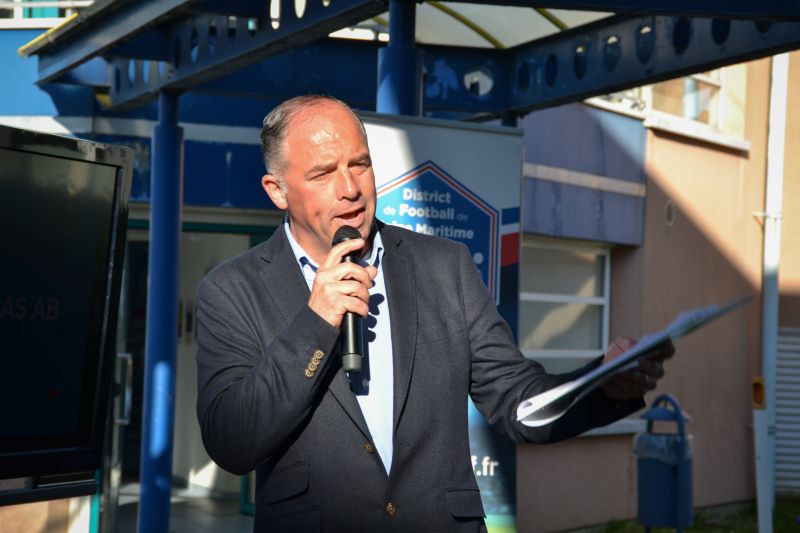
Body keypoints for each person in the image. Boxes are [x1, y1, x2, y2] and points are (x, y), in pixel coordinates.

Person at [195, 94, 673, 532]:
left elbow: (516, 401)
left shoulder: (444, 267)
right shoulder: (232, 290)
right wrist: (316, 323)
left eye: (360, 164)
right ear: (277, 190)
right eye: (323, 174)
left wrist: (601, 384)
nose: (350, 188)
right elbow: (231, 443)